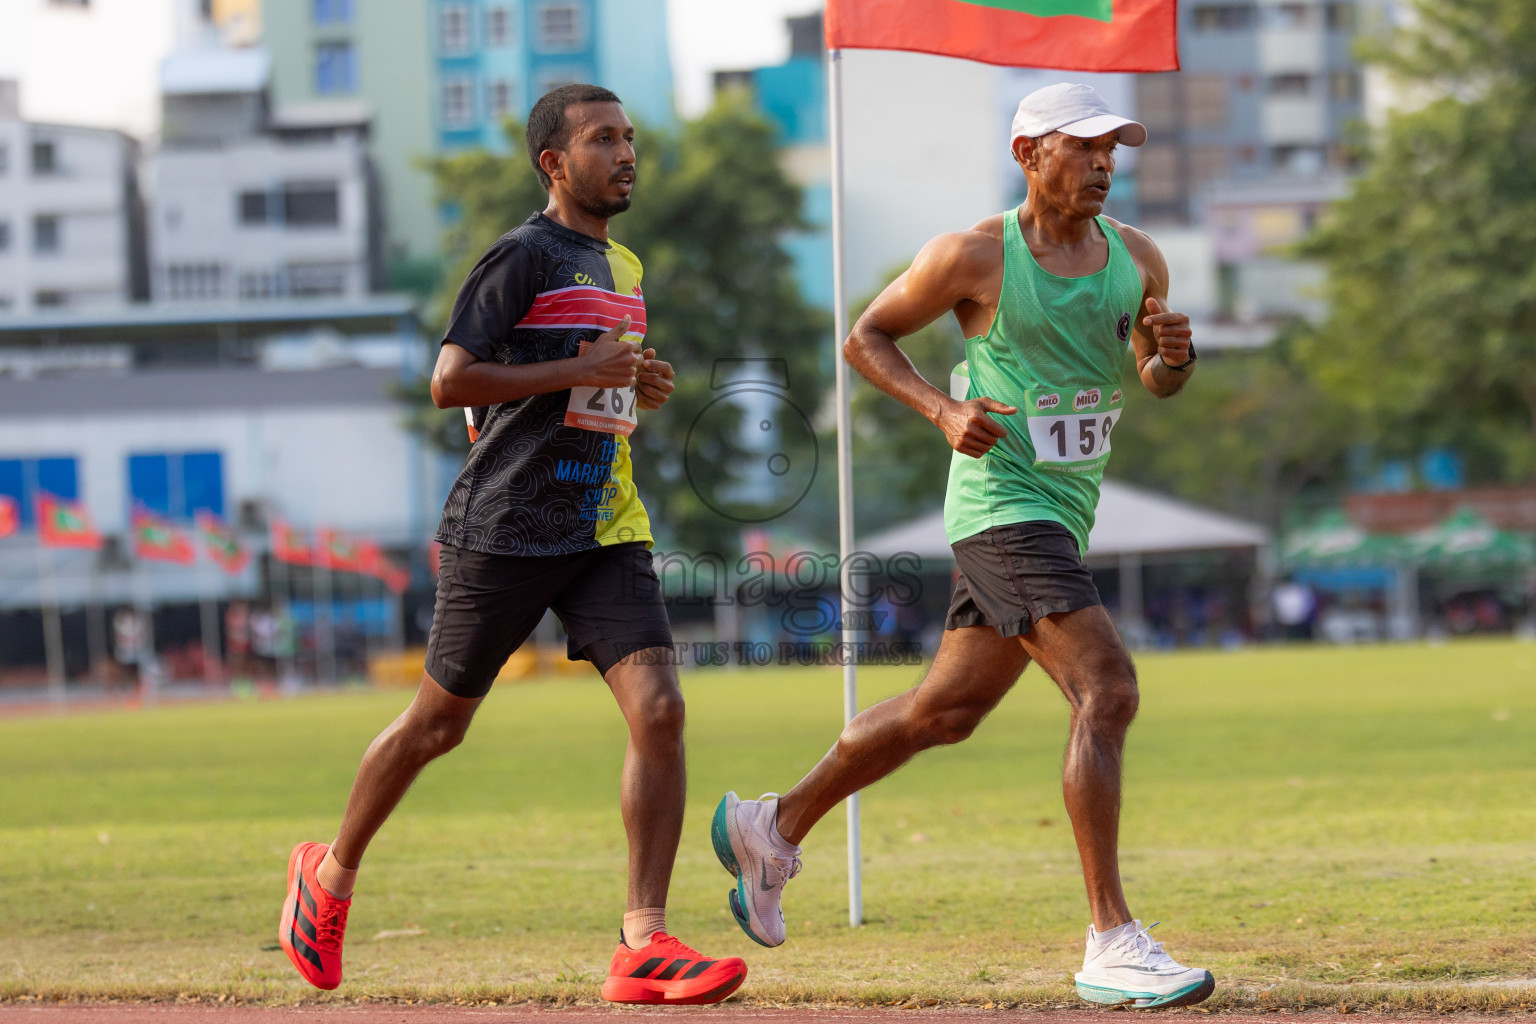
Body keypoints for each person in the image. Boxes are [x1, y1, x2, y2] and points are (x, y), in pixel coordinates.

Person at [711, 83, 1214, 1009]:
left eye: (1112, 148)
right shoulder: (974, 256)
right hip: (1000, 506)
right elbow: (865, 337)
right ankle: (1111, 940)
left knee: (944, 712)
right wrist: (941, 409)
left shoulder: (1138, 258)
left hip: (1064, 513)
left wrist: (1173, 357)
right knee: (1106, 690)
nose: (1103, 163)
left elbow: (1153, 378)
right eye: (1082, 146)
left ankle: (770, 826)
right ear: (1028, 154)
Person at [278, 84, 747, 1006]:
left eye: (630, 137)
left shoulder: (624, 266)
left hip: (605, 524)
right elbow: (451, 382)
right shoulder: (521, 255)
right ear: (554, 163)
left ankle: (643, 942)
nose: (626, 153)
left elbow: (590, 387)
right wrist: (583, 368)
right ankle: (326, 877)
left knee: (660, 711)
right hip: (506, 527)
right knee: (437, 727)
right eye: (603, 139)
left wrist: (633, 384)